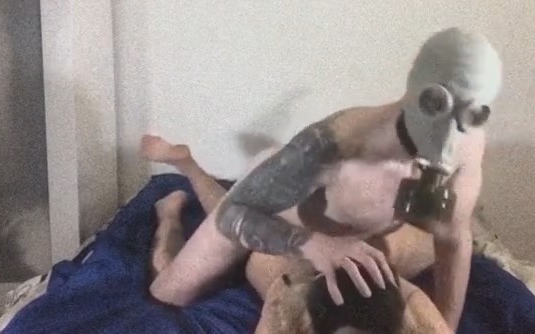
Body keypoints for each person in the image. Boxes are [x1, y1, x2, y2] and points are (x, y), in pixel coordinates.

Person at [147, 27, 502, 331]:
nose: (450, 132)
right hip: (292, 215)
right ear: (414, 88)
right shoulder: (333, 147)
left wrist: (446, 326)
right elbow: (234, 213)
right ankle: (180, 184)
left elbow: (454, 237)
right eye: (436, 104)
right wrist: (315, 246)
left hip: (372, 235)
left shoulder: (468, 144)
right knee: (167, 291)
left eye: (472, 114)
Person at [142, 135, 454, 333]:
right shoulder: (288, 305)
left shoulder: (402, 293)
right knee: (167, 286)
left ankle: (188, 166)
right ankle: (171, 207)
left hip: (305, 219)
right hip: (276, 204)